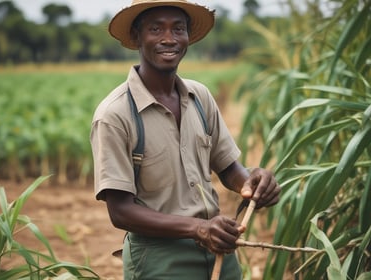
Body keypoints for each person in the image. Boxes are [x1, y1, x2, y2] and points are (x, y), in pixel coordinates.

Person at [90, 0, 281, 279]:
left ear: (188, 36)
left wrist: (250, 182)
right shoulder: (115, 114)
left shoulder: (200, 97)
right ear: (136, 36)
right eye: (156, 29)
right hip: (158, 258)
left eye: (178, 29)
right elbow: (120, 212)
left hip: (219, 250)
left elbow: (228, 168)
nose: (169, 39)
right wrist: (198, 229)